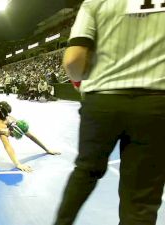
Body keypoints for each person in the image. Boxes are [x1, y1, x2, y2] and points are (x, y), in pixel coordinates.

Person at [54, 1, 165, 225]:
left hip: (102, 100)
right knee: (140, 199)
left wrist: (79, 81)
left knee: (85, 172)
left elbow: (74, 59)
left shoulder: (96, 2)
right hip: (156, 104)